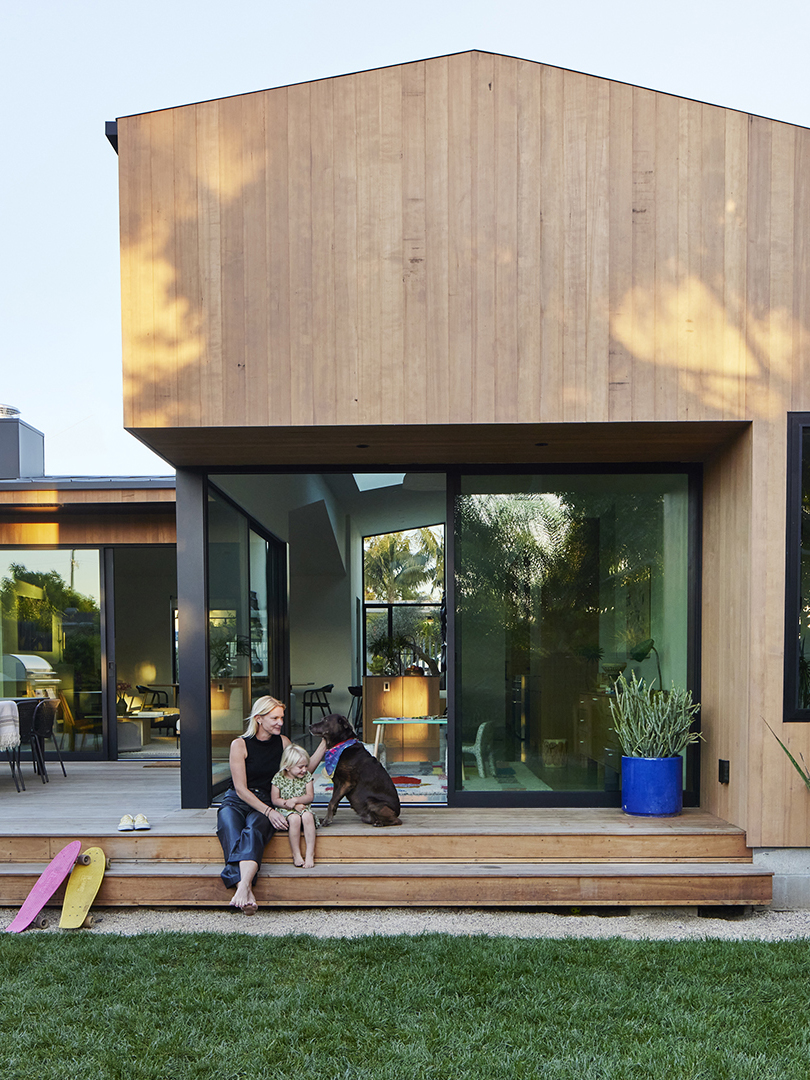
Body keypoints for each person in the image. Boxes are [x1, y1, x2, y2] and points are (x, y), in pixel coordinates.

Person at [216, 696, 326, 913]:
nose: (280, 722)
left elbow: (302, 770)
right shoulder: (239, 744)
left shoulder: (283, 743)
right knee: (230, 829)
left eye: (281, 717)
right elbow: (240, 788)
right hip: (238, 801)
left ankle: (243, 888)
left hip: (267, 800)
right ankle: (244, 888)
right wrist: (269, 812)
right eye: (274, 717)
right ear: (258, 719)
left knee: (254, 830)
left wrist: (325, 744)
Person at [271, 744, 318, 868]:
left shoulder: (307, 776)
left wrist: (296, 800)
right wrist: (289, 805)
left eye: (306, 766)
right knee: (294, 819)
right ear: (287, 766)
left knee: (308, 817)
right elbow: (275, 799)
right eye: (300, 767)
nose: (304, 770)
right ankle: (296, 854)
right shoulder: (278, 778)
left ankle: (310, 853)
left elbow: (310, 796)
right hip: (285, 811)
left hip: (303, 808)